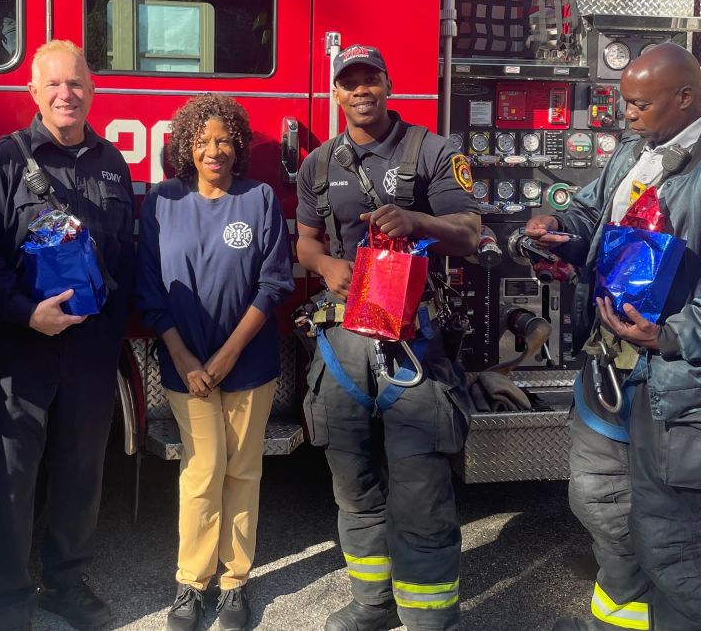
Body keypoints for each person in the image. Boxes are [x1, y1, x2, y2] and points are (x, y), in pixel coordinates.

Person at [527, 44, 701, 631]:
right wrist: (557, 230)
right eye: (624, 102)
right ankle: (625, 613)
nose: (625, 115)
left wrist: (669, 335)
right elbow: (589, 214)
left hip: (685, 389)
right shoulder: (635, 153)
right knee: (602, 502)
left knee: (684, 552)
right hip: (612, 373)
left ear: (686, 97)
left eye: (639, 105)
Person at [294, 45, 480, 631]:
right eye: (349, 82)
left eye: (370, 78)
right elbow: (304, 244)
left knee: (421, 485)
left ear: (388, 83)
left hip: (413, 339)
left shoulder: (432, 150)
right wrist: (325, 269)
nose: (361, 90)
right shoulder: (318, 165)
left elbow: (470, 232)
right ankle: (371, 605)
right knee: (354, 482)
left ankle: (430, 617)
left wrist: (417, 220)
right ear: (337, 94)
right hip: (341, 340)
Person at [0, 40, 135, 631]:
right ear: (33, 92)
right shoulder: (4, 161)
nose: (68, 94)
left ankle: (66, 582)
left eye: (78, 84)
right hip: (21, 346)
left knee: (81, 472)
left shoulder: (112, 163)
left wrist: (111, 334)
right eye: (55, 85)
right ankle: (7, 600)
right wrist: (25, 312)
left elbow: (126, 253)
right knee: (11, 477)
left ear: (92, 91)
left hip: (89, 351)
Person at [138, 94, 295, 631]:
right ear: (184, 145)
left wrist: (228, 355)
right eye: (202, 141)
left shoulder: (260, 199)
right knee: (203, 469)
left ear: (238, 146)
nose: (214, 151)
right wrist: (183, 356)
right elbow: (149, 290)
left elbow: (274, 282)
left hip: (248, 364)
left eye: (224, 140)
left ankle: (234, 584)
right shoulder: (160, 202)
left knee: (242, 470)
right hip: (186, 367)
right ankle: (191, 581)